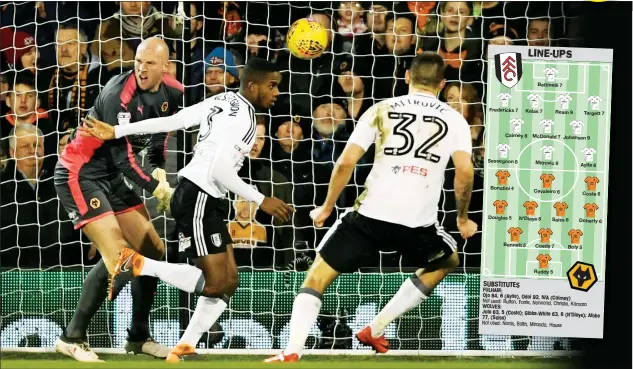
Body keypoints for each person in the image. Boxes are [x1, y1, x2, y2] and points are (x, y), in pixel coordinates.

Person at [265, 52, 478, 362]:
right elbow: (465, 171)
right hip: (417, 224)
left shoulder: (382, 109)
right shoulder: (454, 119)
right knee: (448, 261)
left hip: (369, 217)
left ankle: (292, 351)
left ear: (407, 77)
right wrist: (462, 218)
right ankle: (376, 328)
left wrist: (325, 208)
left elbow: (346, 161)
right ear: (443, 85)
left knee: (316, 278)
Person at [78, 57, 294, 362]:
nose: (276, 93)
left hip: (203, 196)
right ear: (253, 84)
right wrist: (262, 199)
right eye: (272, 86)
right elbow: (220, 170)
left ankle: (184, 346)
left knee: (229, 280)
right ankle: (138, 263)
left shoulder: (223, 99)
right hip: (200, 196)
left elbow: (174, 121)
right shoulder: (244, 119)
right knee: (216, 282)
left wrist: (117, 131)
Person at [53, 37, 184, 362]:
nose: (141, 68)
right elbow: (126, 160)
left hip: (110, 177)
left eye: (150, 63)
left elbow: (158, 139)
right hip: (80, 174)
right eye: (138, 61)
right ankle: (72, 338)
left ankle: (138, 337)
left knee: (152, 250)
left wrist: (160, 173)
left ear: (165, 67)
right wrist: (157, 189)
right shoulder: (117, 95)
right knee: (123, 262)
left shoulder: (173, 92)